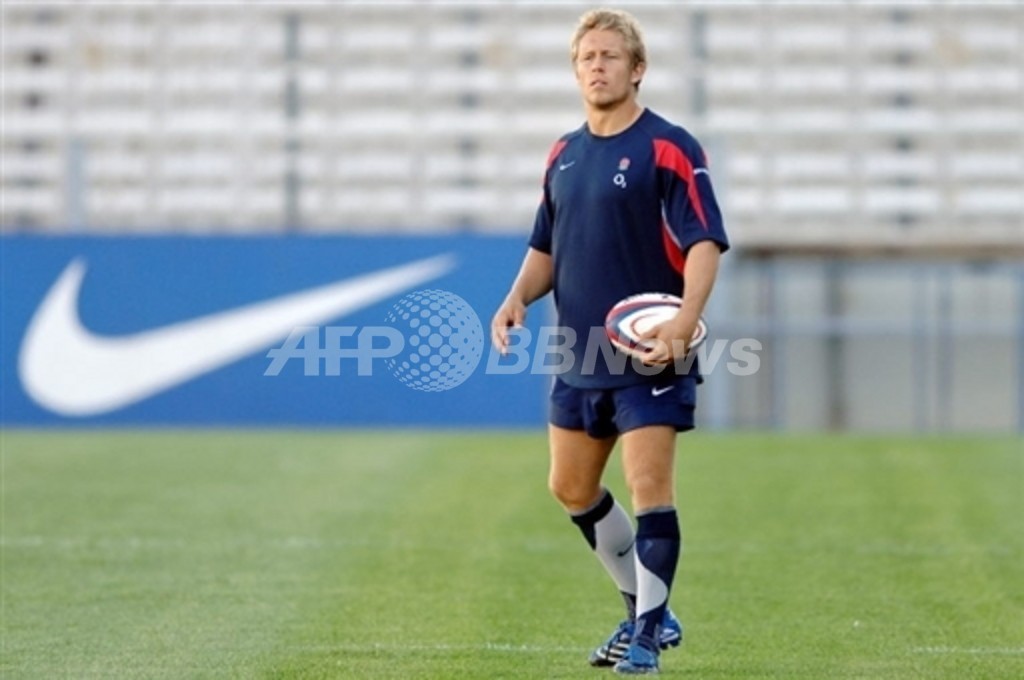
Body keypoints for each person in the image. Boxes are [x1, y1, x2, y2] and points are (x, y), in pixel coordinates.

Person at [490, 8, 730, 675]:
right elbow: (547, 244)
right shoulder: (562, 154)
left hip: (650, 351)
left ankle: (647, 638)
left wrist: (685, 322)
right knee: (570, 486)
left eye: (610, 56)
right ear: (576, 71)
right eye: (586, 58)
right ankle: (647, 609)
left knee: (649, 485)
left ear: (637, 68)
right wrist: (516, 298)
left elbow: (705, 242)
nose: (597, 67)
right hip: (578, 353)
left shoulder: (669, 147)